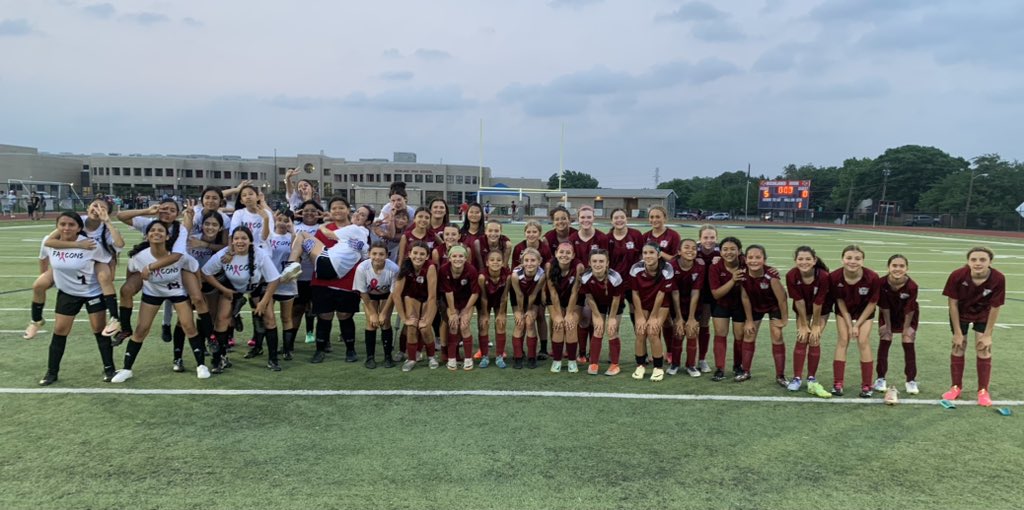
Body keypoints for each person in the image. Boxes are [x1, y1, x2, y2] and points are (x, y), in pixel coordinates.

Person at [111, 221, 210, 382]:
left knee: (188, 326)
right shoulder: (139, 256)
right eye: (152, 230)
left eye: (161, 231)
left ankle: (201, 365)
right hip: (153, 292)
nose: (156, 233)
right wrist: (138, 285)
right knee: (141, 329)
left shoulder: (178, 255)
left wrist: (197, 286)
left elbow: (193, 267)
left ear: (168, 236)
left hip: (177, 291)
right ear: (147, 235)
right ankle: (127, 369)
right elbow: (132, 271)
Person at [37, 212, 117, 386]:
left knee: (99, 329)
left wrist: (107, 277)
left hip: (92, 292)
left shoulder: (90, 244)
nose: (66, 228)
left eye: (71, 225)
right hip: (67, 293)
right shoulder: (51, 243)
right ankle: (52, 372)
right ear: (57, 226)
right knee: (60, 330)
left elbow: (108, 259)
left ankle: (109, 368)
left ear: (79, 227)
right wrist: (45, 277)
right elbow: (44, 255)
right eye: (62, 224)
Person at [201, 226, 283, 372]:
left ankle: (273, 359)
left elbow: (274, 279)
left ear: (250, 241)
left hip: (257, 287)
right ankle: (219, 359)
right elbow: (206, 272)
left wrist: (263, 303)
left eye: (244, 238)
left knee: (269, 317)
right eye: (236, 238)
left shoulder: (260, 254)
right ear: (231, 241)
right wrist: (224, 290)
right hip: (232, 288)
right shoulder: (225, 254)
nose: (240, 241)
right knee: (222, 319)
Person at [941, 247, 1005, 407]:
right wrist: (957, 332)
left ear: (990, 262)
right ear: (968, 261)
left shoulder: (998, 278)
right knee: (958, 346)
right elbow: (952, 304)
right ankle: (955, 387)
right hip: (961, 312)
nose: (978, 263)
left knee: (983, 347)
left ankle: (983, 391)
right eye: (974, 259)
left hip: (983, 313)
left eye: (982, 260)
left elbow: (995, 307)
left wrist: (988, 334)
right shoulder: (957, 275)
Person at [829, 245, 881, 398]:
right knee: (843, 340)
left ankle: (866, 385)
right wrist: (849, 323)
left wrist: (857, 325)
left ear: (863, 261)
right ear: (842, 259)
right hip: (844, 310)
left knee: (863, 341)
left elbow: (872, 304)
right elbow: (839, 301)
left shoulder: (872, 277)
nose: (853, 261)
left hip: (865, 312)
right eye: (849, 258)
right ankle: (838, 383)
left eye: (857, 259)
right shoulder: (835, 276)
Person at [736, 245, 788, 385]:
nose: (754, 261)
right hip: (755, 305)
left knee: (777, 335)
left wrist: (784, 319)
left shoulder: (771, 276)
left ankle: (780, 376)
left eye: (758, 257)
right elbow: (745, 298)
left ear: (764, 259)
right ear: (745, 259)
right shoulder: (742, 275)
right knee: (749, 333)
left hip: (773, 306)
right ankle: (745, 371)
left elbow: (782, 298)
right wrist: (749, 320)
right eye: (751, 257)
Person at [784, 246, 832, 398]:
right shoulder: (791, 275)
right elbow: (798, 301)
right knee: (802, 336)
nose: (804, 262)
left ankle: (812, 378)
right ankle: (797, 378)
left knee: (814, 338)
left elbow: (819, 302)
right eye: (800, 259)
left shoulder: (823, 276)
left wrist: (816, 325)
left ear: (814, 260)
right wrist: (804, 325)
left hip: (821, 309)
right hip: (803, 308)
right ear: (795, 261)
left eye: (808, 259)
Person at [874, 254, 920, 401]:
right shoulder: (881, 283)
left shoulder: (912, 286)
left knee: (908, 340)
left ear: (907, 268)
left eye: (901, 266)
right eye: (894, 266)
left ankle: (911, 380)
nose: (898, 269)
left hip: (908, 315)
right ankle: (880, 378)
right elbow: (884, 306)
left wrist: (906, 329)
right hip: (888, 313)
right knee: (886, 337)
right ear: (888, 267)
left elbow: (910, 309)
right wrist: (887, 326)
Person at [629, 242, 674, 382]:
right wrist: (640, 316)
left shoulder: (667, 268)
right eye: (645, 253)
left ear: (659, 254)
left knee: (653, 331)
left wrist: (653, 316)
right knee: (640, 330)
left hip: (660, 305)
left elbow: (661, 294)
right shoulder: (636, 268)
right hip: (642, 303)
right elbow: (635, 293)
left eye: (651, 253)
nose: (648, 256)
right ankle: (640, 365)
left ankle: (658, 367)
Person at [393, 241, 438, 371]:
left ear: (427, 256)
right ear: (409, 254)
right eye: (415, 253)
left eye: (422, 254)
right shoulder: (405, 266)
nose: (418, 256)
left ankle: (431, 357)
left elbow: (432, 296)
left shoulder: (430, 267)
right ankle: (411, 358)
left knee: (424, 328)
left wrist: (427, 319)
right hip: (411, 297)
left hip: (428, 300)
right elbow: (396, 295)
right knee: (411, 326)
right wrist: (404, 319)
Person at [354, 242, 400, 369]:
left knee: (385, 322)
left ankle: (387, 357)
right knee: (371, 322)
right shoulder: (362, 268)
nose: (377, 257)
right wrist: (373, 314)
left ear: (387, 255)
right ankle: (370, 357)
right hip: (369, 295)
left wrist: (384, 313)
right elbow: (362, 292)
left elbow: (393, 293)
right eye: (374, 254)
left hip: (387, 295)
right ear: (369, 254)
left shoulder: (394, 269)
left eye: (381, 254)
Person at [581, 249, 625, 376]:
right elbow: (589, 297)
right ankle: (594, 363)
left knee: (612, 330)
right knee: (598, 329)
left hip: (614, 304)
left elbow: (616, 299)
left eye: (601, 261)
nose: (598, 264)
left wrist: (611, 318)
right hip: (598, 303)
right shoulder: (585, 277)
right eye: (594, 261)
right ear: (589, 262)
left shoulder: (615, 277)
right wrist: (596, 315)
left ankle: (615, 365)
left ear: (607, 263)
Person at [708, 236, 746, 381]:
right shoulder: (715, 267)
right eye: (725, 249)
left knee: (740, 336)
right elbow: (716, 294)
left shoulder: (745, 264)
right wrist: (733, 280)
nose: (728, 252)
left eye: (732, 249)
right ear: (720, 251)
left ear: (739, 251)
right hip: (721, 303)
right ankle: (719, 368)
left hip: (741, 305)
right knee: (720, 333)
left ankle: (738, 366)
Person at [439, 245, 480, 371]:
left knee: (464, 325)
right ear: (449, 258)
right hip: (451, 301)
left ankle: (468, 358)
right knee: (453, 324)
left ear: (466, 258)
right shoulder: (444, 269)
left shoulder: (471, 270)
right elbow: (448, 292)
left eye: (461, 256)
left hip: (467, 302)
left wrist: (466, 310)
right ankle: (452, 358)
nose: (458, 259)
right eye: (454, 256)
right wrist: (452, 312)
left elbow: (475, 293)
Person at [290, 199, 325, 345]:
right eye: (306, 210)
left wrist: (326, 215)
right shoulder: (295, 227)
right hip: (300, 277)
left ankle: (321, 340)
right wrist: (292, 216)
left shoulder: (324, 227)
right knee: (297, 309)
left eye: (313, 210)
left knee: (318, 310)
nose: (309, 213)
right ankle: (289, 341)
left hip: (319, 276)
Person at [545, 242, 583, 373]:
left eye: (568, 253)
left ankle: (572, 361)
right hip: (555, 300)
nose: (564, 255)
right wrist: (559, 315)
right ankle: (557, 360)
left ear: (573, 255)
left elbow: (575, 292)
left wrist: (569, 313)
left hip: (574, 300)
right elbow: (552, 292)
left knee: (570, 324)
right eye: (561, 252)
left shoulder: (578, 267)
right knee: (558, 324)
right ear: (556, 253)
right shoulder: (549, 265)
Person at [668, 239, 703, 377]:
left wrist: (691, 318)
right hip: (676, 305)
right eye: (686, 247)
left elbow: (696, 292)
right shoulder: (671, 266)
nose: (690, 250)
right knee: (678, 332)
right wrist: (678, 317)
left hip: (693, 305)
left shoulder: (699, 266)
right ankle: (675, 364)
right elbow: (674, 292)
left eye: (694, 248)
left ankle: (691, 365)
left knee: (691, 332)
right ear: (679, 251)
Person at [509, 248, 546, 369]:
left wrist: (529, 310)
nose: (529, 263)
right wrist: (520, 311)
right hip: (518, 296)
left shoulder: (541, 275)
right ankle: (518, 356)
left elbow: (534, 294)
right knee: (520, 323)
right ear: (522, 261)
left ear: (539, 261)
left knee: (530, 322)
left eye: (533, 260)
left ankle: (531, 357)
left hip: (532, 296)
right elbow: (519, 295)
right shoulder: (515, 275)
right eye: (526, 260)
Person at [477, 249, 510, 368]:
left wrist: (501, 313)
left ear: (503, 263)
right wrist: (485, 314)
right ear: (487, 263)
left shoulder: (507, 275)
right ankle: (484, 356)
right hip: (485, 301)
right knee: (483, 325)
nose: (495, 262)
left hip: (499, 300)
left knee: (501, 324)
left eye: (498, 260)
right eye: (492, 260)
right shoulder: (482, 277)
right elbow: (484, 297)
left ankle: (499, 356)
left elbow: (505, 296)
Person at [694, 225, 720, 373]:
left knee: (704, 323)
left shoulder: (721, 251)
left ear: (716, 238)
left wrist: (723, 259)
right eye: (705, 237)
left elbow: (740, 259)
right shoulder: (693, 249)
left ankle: (702, 359)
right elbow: (677, 259)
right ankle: (673, 356)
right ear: (700, 238)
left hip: (711, 293)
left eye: (712, 237)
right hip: (691, 292)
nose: (709, 240)